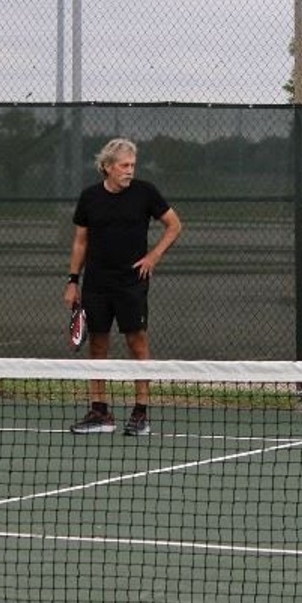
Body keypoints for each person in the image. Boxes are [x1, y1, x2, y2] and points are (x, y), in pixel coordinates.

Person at [64, 137, 182, 436]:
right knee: (98, 345)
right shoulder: (90, 197)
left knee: (137, 343)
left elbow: (175, 225)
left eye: (132, 165)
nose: (130, 171)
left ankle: (140, 414)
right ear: (107, 167)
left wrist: (153, 256)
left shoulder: (145, 193)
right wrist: (73, 281)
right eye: (124, 165)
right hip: (96, 284)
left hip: (132, 283)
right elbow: (80, 241)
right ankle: (100, 412)